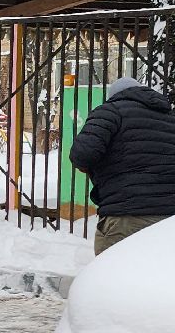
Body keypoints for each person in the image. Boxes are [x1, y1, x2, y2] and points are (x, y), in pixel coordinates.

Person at [69, 76, 175, 254]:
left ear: (115, 96)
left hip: (126, 218)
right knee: (157, 279)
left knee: (113, 277)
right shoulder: (170, 119)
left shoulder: (111, 111)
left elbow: (82, 155)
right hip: (168, 224)